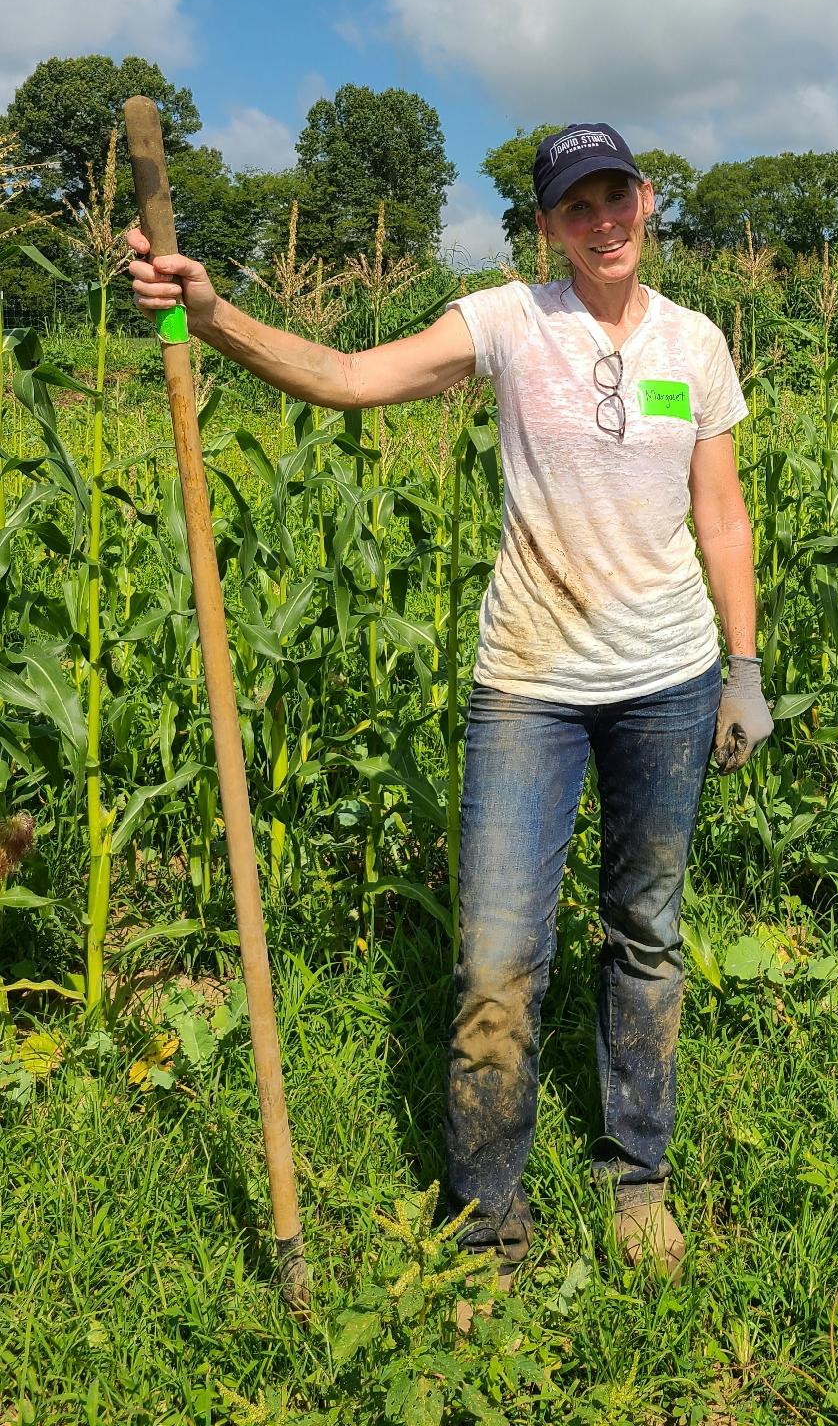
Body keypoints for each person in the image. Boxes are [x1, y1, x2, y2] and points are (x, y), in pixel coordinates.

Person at [128, 120, 774, 1292]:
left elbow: (720, 511)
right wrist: (209, 315)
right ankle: (487, 1213)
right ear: (547, 228)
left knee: (648, 928)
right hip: (530, 680)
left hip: (669, 679)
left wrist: (744, 664)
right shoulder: (508, 321)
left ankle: (638, 1172)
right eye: (577, 205)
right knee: (494, 954)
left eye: (617, 194)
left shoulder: (698, 341)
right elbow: (350, 378)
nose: (604, 219)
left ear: (648, 199)